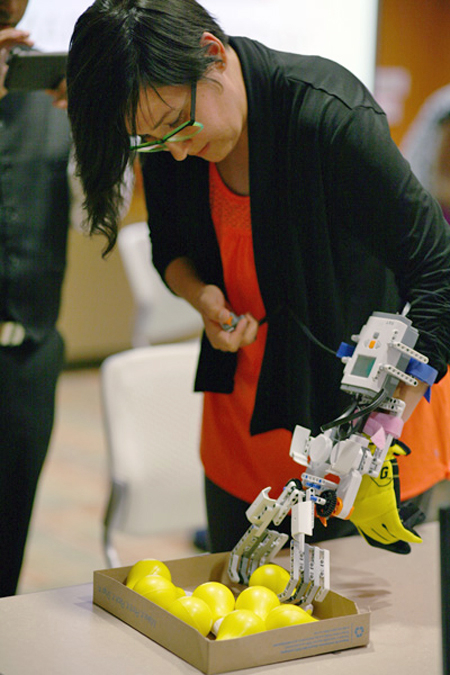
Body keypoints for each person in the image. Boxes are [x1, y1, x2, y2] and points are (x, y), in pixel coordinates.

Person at [66, 0, 450, 554]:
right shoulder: (167, 125)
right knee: (244, 608)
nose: (174, 151)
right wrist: (202, 298)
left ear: (212, 56)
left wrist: (376, 438)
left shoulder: (327, 115)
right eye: (151, 139)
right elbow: (168, 249)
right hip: (243, 426)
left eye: (178, 125)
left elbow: (437, 267)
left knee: (353, 628)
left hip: (364, 435)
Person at [0, 1, 71, 597]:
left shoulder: (51, 89)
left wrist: (102, 126)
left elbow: (98, 221)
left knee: (5, 553)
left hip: (26, 359)